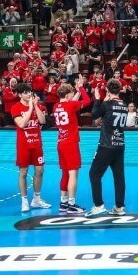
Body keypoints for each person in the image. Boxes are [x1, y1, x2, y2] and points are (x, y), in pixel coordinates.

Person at [86, 79, 129, 217]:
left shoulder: (106, 104)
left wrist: (98, 99)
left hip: (106, 145)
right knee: (119, 176)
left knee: (94, 174)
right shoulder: (125, 105)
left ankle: (98, 205)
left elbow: (94, 115)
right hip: (119, 145)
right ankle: (120, 207)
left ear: (108, 91)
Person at [11, 83, 51, 213]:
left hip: (37, 144)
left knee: (40, 170)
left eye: (29, 92)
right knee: (23, 173)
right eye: (26, 92)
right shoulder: (16, 107)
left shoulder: (38, 106)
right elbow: (22, 124)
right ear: (20, 95)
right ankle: (24, 201)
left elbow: (42, 121)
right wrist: (30, 108)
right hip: (23, 145)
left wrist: (35, 106)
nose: (29, 94)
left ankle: (36, 199)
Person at [52, 77, 90, 214]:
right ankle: (72, 204)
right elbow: (87, 101)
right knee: (73, 173)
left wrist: (77, 90)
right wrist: (81, 88)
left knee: (65, 173)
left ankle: (63, 203)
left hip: (61, 142)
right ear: (68, 95)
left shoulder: (56, 106)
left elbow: (72, 103)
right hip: (71, 143)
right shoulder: (71, 105)